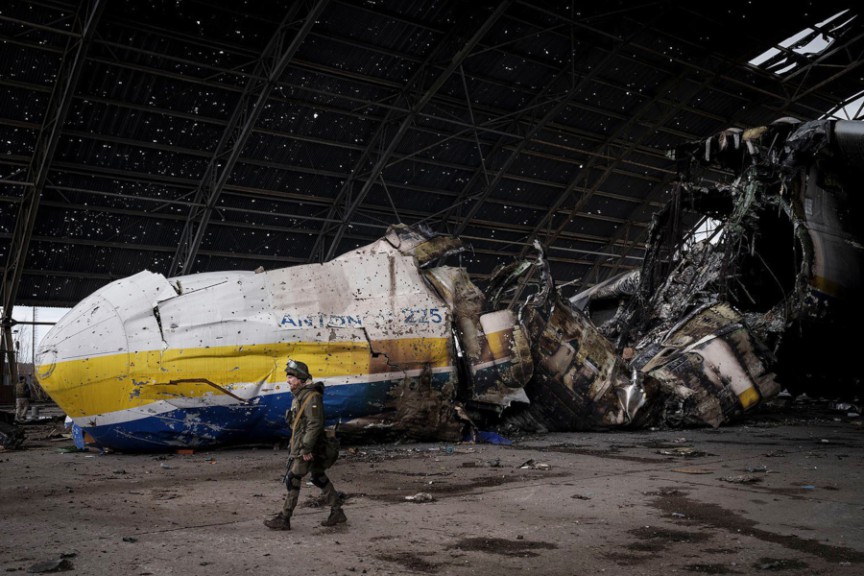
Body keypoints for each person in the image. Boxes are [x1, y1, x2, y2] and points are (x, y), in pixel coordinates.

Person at [264, 359, 346, 530]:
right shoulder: (301, 395)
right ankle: (337, 511)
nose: (288, 380)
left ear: (300, 378)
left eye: (291, 377)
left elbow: (314, 424)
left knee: (293, 478)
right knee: (317, 476)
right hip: (305, 445)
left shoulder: (311, 397)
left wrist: (306, 449)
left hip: (308, 447)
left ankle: (285, 518)